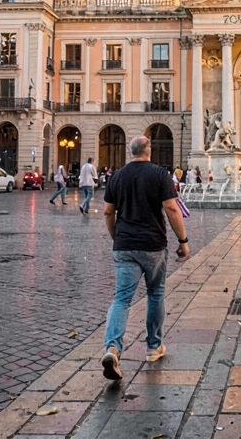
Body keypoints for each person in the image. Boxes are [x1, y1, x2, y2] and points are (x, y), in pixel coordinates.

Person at [100, 135, 189, 380]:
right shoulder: (159, 174)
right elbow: (171, 208)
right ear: (148, 150)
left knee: (122, 298)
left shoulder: (117, 176)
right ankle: (153, 347)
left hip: (125, 245)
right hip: (153, 245)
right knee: (156, 294)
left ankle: (112, 347)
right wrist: (183, 241)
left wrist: (117, 237)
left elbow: (108, 212)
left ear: (131, 151)